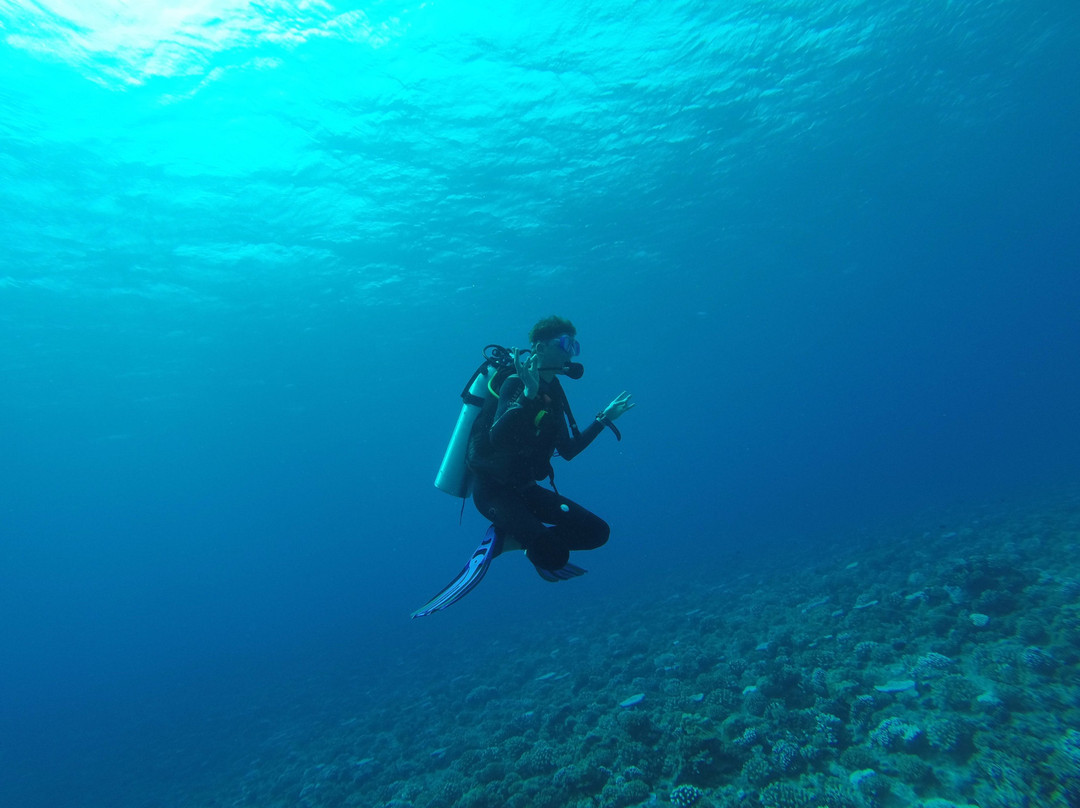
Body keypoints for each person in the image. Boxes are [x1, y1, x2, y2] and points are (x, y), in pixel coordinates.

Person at [411, 316, 633, 617]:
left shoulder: (554, 391)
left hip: (527, 488)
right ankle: (519, 539)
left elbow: (567, 450)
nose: (572, 353)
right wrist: (526, 397)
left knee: (598, 533)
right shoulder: (515, 381)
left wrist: (603, 419)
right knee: (554, 556)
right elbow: (497, 437)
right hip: (494, 492)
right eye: (566, 344)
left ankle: (514, 540)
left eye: (575, 345)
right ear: (540, 347)